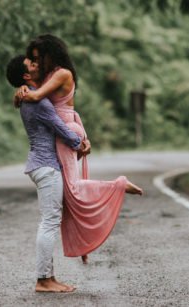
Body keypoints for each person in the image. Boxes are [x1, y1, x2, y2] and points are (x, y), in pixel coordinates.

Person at [15, 34, 143, 264]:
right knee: (66, 197)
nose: (36, 63)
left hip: (66, 131)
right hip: (64, 131)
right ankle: (84, 244)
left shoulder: (62, 73)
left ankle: (119, 185)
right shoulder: (47, 75)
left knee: (72, 190)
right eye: (33, 60)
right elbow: (39, 96)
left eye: (38, 58)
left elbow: (37, 96)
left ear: (50, 55)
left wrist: (21, 92)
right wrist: (23, 88)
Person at [6, 55, 90, 293]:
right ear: (26, 76)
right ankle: (44, 279)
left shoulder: (30, 97)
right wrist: (81, 142)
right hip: (46, 166)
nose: (36, 64)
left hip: (40, 164)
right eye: (32, 64)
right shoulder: (37, 102)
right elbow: (60, 128)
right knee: (50, 222)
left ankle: (48, 277)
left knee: (49, 221)